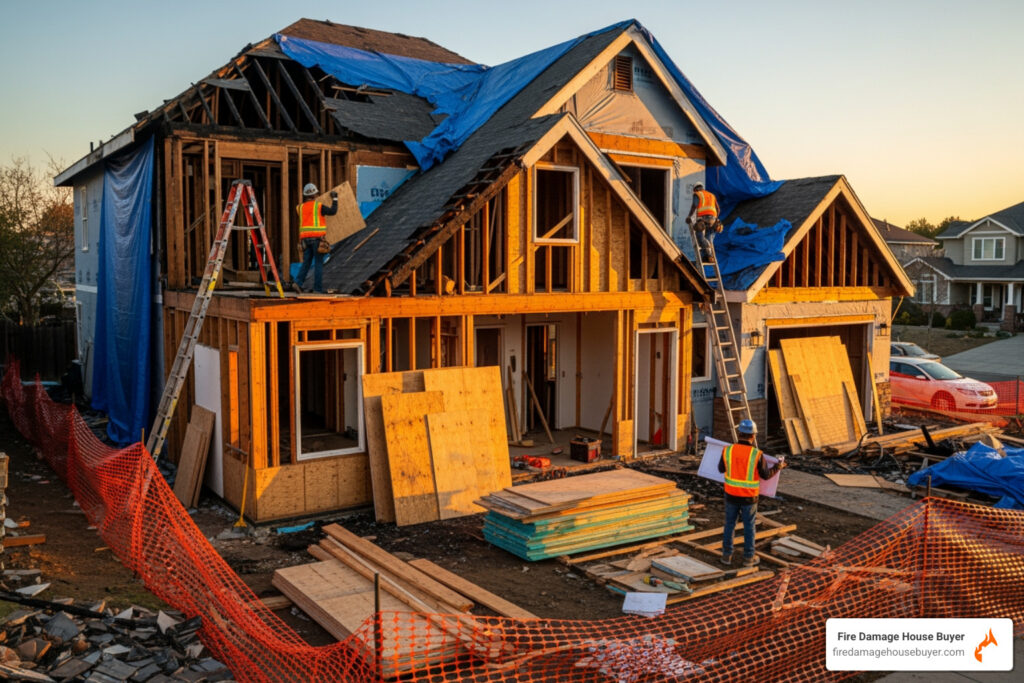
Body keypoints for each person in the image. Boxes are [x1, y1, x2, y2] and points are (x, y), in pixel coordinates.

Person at [717, 419, 786, 567]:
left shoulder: (728, 450)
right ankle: (748, 558)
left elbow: (721, 469)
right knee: (749, 526)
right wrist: (778, 467)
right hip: (749, 497)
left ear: (739, 433)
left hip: (731, 495)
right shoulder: (757, 454)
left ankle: (726, 556)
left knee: (729, 525)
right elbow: (766, 475)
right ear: (753, 436)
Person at [293, 183, 338, 294]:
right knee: (318, 263)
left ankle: (298, 282)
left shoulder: (300, 208)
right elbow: (333, 211)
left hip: (305, 240)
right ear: (315, 194)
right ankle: (317, 289)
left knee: (306, 262)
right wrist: (335, 198)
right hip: (317, 239)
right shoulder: (318, 206)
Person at [686, 182, 722, 261]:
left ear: (696, 189)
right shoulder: (711, 195)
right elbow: (718, 209)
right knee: (708, 236)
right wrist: (715, 218)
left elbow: (694, 206)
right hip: (713, 219)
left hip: (703, 218)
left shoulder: (698, 194)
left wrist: (689, 216)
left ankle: (708, 252)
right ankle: (708, 257)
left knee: (699, 235)